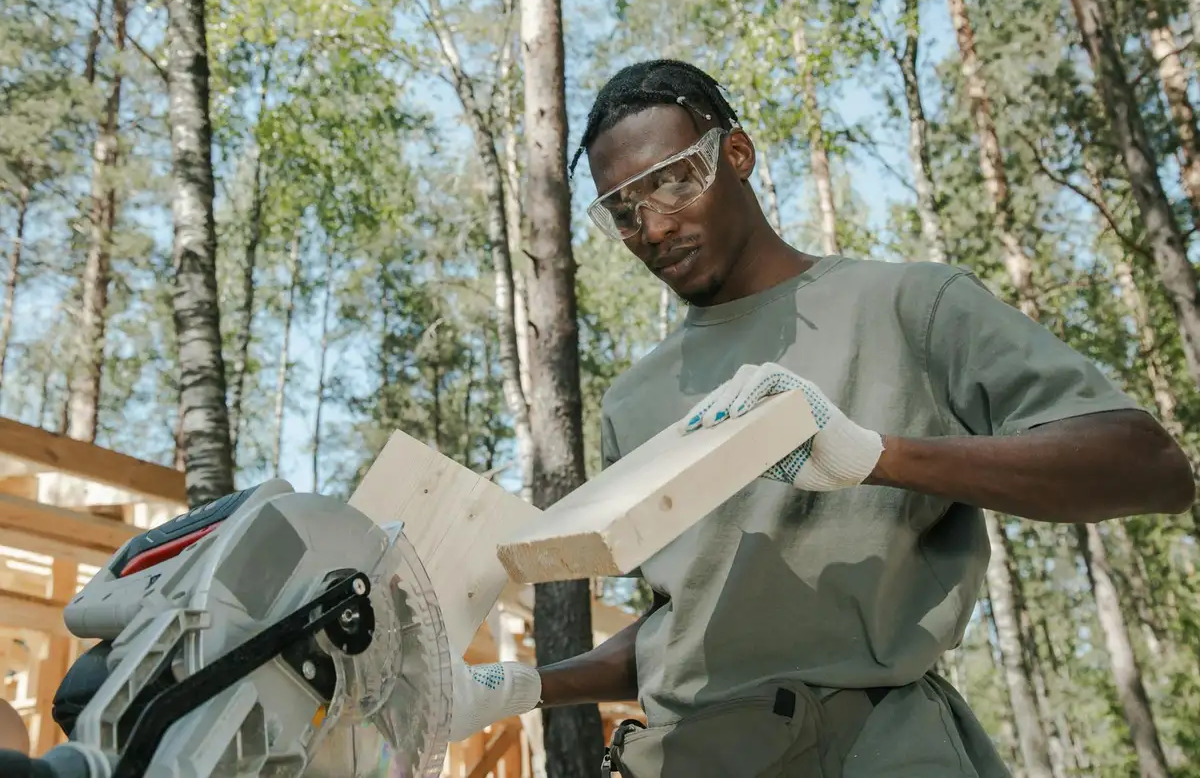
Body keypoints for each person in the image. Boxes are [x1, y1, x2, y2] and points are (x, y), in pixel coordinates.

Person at [445, 59, 1195, 776]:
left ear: (735, 153)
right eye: (625, 209)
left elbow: (1148, 466)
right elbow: (694, 628)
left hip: (874, 751)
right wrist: (528, 686)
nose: (655, 226)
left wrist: (876, 455)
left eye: (672, 181)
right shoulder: (632, 404)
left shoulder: (910, 307)